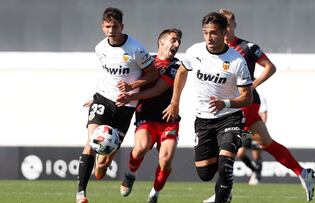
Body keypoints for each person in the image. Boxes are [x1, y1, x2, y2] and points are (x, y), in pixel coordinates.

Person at [202, 9, 315, 203]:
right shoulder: (214, 50)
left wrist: (253, 85)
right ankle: (303, 173)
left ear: (234, 25)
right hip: (228, 105)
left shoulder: (247, 47)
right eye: (222, 25)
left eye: (228, 24)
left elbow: (270, 67)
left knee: (226, 146)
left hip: (245, 104)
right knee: (266, 143)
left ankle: (223, 193)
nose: (225, 28)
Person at [163, 12, 253, 203]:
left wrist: (226, 103)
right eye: (205, 33)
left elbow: (247, 98)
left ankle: (224, 193)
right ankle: (225, 184)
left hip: (230, 116)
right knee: (204, 173)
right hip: (203, 120)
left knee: (225, 164)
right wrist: (175, 102)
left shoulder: (237, 61)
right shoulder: (195, 52)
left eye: (213, 33)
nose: (209, 37)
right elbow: (181, 72)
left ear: (224, 32)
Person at [75, 7, 158, 203]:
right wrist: (95, 97)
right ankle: (80, 194)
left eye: (115, 26)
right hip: (103, 100)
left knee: (102, 163)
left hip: (125, 106)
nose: (111, 31)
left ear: (122, 26)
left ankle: (101, 163)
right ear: (102, 27)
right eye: (107, 27)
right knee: (90, 143)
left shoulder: (136, 49)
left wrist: (132, 87)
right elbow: (107, 76)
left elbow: (153, 74)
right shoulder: (100, 48)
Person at [115, 28, 182, 203]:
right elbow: (123, 80)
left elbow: (157, 89)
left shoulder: (176, 66)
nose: (177, 44)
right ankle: (130, 173)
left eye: (179, 42)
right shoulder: (146, 62)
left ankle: (154, 194)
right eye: (173, 40)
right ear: (161, 42)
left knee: (165, 160)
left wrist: (131, 96)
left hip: (168, 119)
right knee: (141, 147)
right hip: (146, 116)